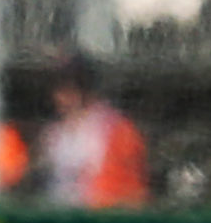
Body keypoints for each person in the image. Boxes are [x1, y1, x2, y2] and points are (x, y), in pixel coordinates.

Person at [31, 56, 150, 209]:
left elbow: (134, 195)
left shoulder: (115, 129)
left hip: (99, 220)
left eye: (69, 89)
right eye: (58, 89)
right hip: (57, 219)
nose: (60, 97)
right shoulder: (53, 134)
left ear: (86, 91)